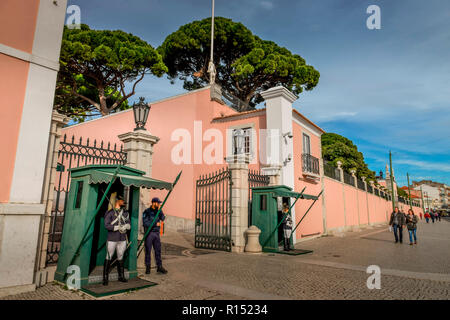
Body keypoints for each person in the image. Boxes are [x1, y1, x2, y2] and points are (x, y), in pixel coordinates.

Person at [103, 195, 130, 285]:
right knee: (109, 256)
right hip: (112, 238)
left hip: (122, 238)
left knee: (120, 256)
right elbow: (106, 225)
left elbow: (128, 223)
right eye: (122, 201)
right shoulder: (110, 213)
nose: (123, 203)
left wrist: (126, 226)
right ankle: (105, 278)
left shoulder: (125, 213)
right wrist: (116, 227)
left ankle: (121, 276)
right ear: (117, 201)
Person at [143, 197, 168, 275]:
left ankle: (159, 267)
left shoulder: (158, 211)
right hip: (149, 233)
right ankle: (148, 267)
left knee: (158, 250)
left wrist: (160, 211)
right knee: (148, 251)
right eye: (158, 203)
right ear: (153, 203)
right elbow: (145, 223)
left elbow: (163, 218)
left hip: (156, 234)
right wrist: (154, 223)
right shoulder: (146, 212)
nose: (159, 204)